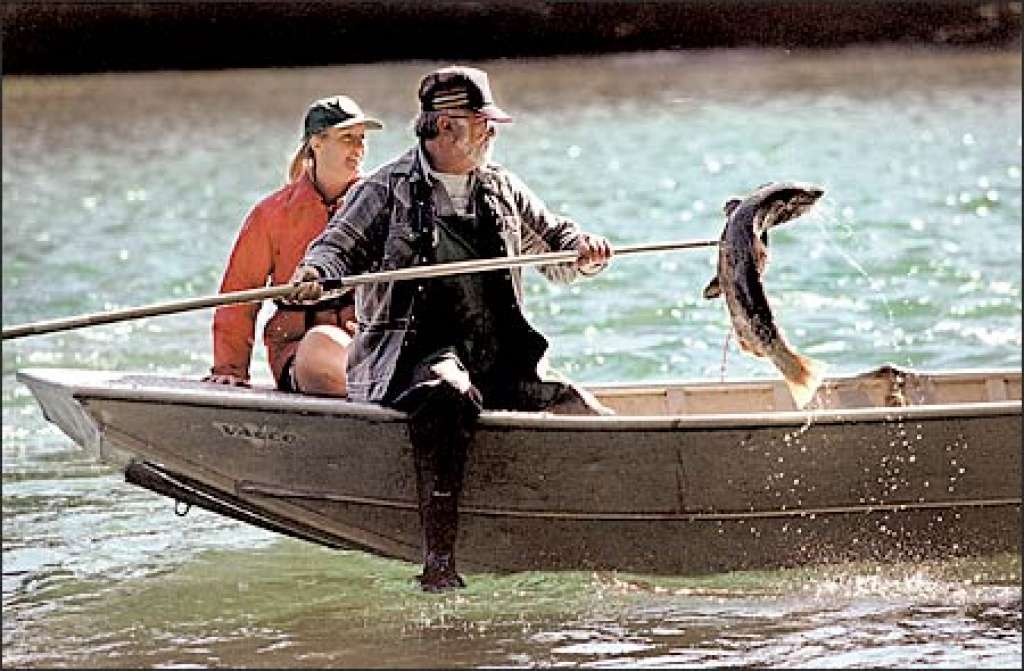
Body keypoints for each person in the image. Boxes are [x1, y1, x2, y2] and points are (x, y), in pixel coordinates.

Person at [288, 66, 613, 591]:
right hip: (410, 359)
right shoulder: (383, 189)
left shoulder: (502, 187)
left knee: (583, 410)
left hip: (498, 356)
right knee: (447, 393)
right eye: (480, 122)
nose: (491, 132)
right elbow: (333, 251)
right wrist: (313, 277)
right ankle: (439, 561)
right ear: (442, 128)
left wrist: (586, 251)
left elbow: (556, 245)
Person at [204, 95, 383, 395]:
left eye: (362, 139)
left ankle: (386, 385)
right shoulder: (271, 214)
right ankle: (380, 390)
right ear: (317, 142)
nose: (358, 148)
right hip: (300, 350)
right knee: (319, 343)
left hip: (368, 344)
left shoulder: (381, 205)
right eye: (347, 138)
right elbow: (239, 294)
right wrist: (230, 368)